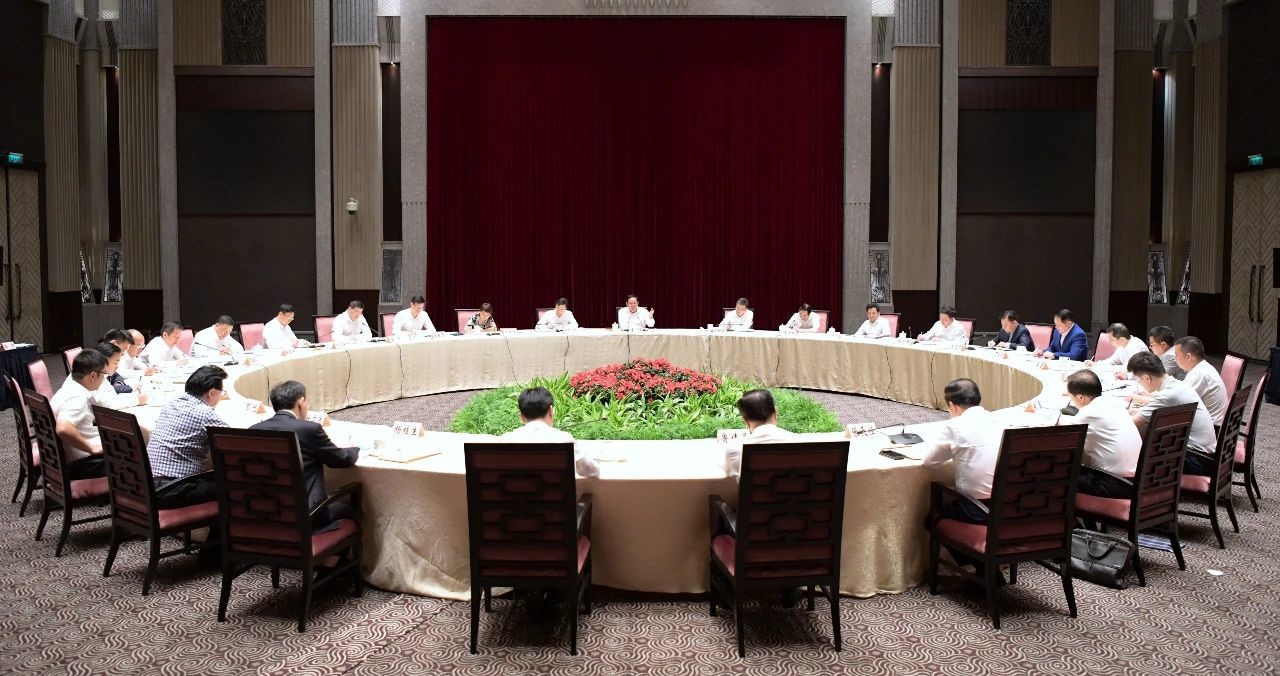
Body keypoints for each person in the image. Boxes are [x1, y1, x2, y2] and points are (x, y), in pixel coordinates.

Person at [249, 380, 360, 529]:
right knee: (354, 505)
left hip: (265, 512)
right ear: (301, 403)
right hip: (307, 516)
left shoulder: (253, 429)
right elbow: (341, 460)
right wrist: (355, 448)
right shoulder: (309, 430)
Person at [146, 366, 230, 508]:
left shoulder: (173, 403)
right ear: (211, 392)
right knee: (233, 485)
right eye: (221, 393)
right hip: (171, 489)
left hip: (147, 483)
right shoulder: (204, 413)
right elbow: (231, 442)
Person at [921, 379, 1003, 523]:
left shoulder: (955, 426)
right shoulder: (997, 421)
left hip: (976, 510)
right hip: (1004, 506)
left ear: (952, 405)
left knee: (931, 519)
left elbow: (930, 462)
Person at [1127, 352, 1217, 477]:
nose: (1139, 383)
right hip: (1205, 455)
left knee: (1136, 447)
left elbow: (1131, 426)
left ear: (1147, 378)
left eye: (1138, 380)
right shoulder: (1178, 384)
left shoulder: (1167, 395)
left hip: (1196, 460)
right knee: (1148, 432)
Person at [1060, 370, 1142, 498]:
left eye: (1071, 397)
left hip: (1116, 483)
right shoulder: (1113, 403)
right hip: (1138, 478)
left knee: (1057, 475)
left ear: (1080, 397)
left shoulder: (1090, 413)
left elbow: (1064, 429)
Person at [499, 386, 599, 478]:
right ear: (551, 411)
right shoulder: (564, 439)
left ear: (521, 416)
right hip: (558, 492)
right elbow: (592, 471)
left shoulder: (506, 440)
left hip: (517, 492)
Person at [49, 349, 111, 479]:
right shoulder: (77, 398)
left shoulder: (68, 387)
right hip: (84, 463)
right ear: (93, 376)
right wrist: (91, 448)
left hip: (67, 457)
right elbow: (63, 428)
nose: (104, 379)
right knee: (140, 454)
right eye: (104, 375)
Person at [723, 389, 798, 480]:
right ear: (775, 412)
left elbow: (728, 475)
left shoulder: (734, 450)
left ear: (745, 420)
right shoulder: (798, 442)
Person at [1174, 336, 1228, 425]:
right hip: (1209, 421)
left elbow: (1177, 402)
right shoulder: (1203, 367)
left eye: (1176, 354)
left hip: (1211, 427)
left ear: (1188, 356)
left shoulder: (1200, 374)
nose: (1174, 358)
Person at [91, 342, 146, 409]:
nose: (117, 366)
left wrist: (134, 398)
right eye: (115, 363)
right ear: (104, 361)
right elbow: (107, 405)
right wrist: (136, 401)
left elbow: (113, 396)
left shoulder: (103, 377)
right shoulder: (95, 378)